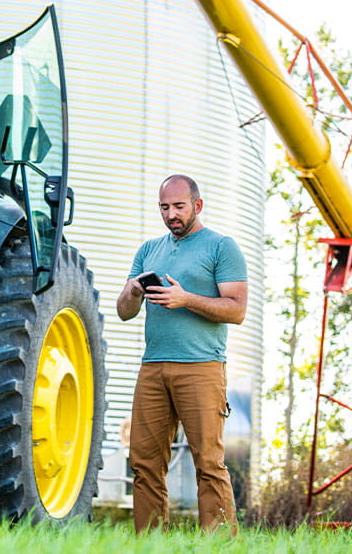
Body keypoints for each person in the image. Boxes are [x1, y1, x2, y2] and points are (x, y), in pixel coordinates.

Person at [116, 174, 248, 533]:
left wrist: (185, 298)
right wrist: (132, 292)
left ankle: (218, 543)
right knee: (144, 463)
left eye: (178, 206)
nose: (171, 214)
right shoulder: (148, 250)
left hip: (201, 368)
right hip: (153, 368)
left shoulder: (221, 247)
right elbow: (124, 312)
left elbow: (236, 310)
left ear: (197, 205)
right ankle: (151, 541)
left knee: (208, 462)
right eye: (164, 207)